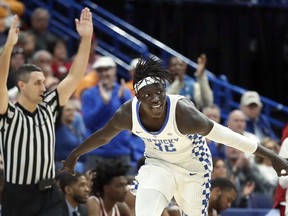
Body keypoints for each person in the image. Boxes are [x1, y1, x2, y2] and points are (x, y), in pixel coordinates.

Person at [61, 57, 288, 216]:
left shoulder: (183, 113)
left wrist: (272, 156)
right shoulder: (126, 114)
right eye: (148, 95)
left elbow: (228, 137)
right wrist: (74, 155)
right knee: (145, 212)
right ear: (137, 96)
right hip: (158, 164)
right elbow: (102, 137)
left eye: (159, 92)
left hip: (193, 167)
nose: (156, 99)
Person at [0, 8, 93, 216]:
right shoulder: (8, 114)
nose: (44, 88)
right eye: (37, 83)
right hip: (18, 196)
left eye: (44, 82)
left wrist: (85, 39)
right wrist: (8, 47)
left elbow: (74, 77)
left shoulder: (49, 106)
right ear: (22, 86)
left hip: (49, 193)